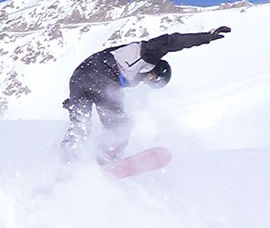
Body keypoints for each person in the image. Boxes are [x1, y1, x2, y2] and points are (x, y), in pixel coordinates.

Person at [60, 26, 232, 164]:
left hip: (78, 77)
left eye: (153, 82)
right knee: (120, 124)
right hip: (99, 74)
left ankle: (66, 163)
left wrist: (74, 99)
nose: (150, 79)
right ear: (157, 68)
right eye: (155, 77)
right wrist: (206, 37)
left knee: (80, 125)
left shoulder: (133, 73)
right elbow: (171, 41)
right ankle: (107, 160)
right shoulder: (149, 54)